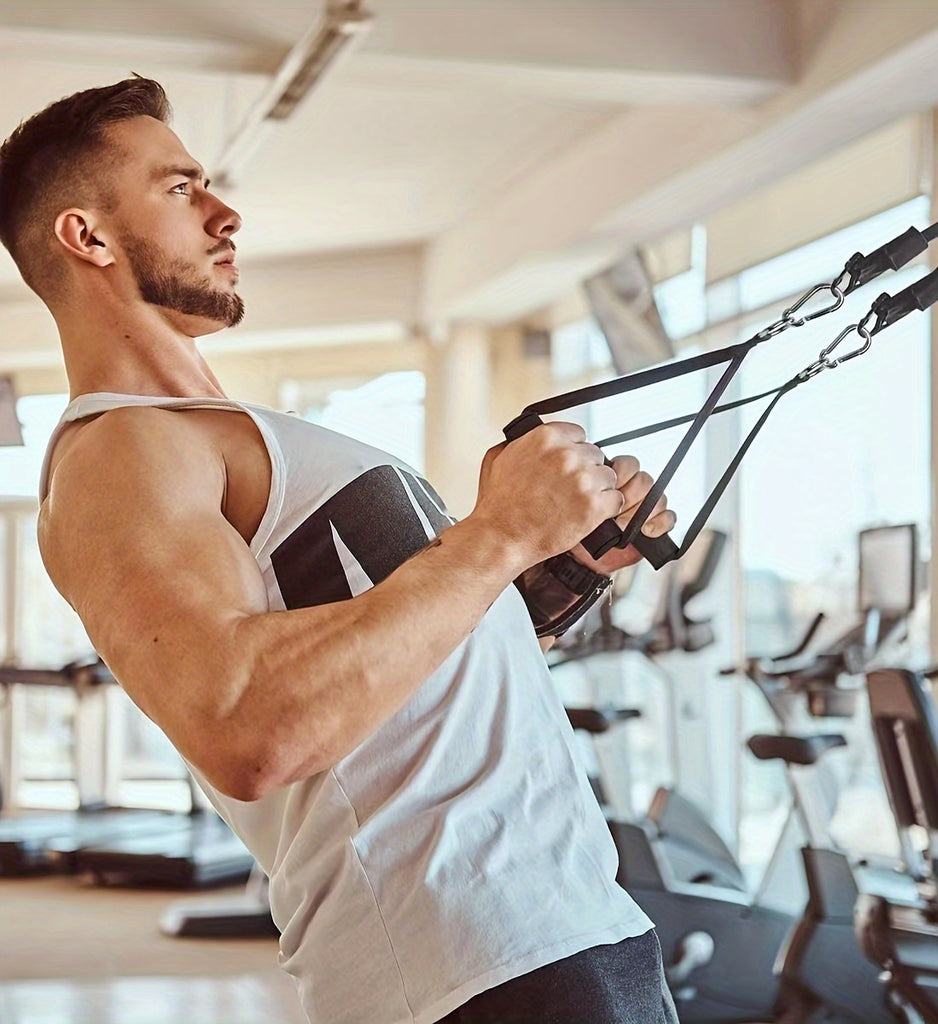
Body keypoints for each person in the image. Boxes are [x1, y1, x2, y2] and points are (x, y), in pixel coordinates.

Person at [0, 77, 680, 1024]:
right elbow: (245, 727)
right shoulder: (122, 449)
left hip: (564, 923)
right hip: (465, 960)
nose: (226, 213)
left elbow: (413, 674)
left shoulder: (221, 433)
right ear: (89, 237)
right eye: (181, 188)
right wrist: (497, 532)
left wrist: (559, 569)